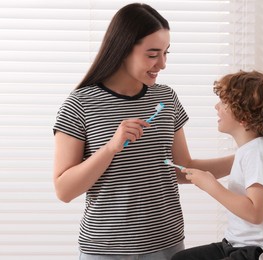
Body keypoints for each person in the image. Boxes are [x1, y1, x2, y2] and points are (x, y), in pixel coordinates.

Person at [52, 3, 233, 260]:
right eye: (152, 54)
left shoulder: (166, 98)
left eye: (166, 53)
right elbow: (64, 190)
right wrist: (111, 147)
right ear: (123, 49)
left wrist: (244, 158)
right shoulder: (80, 103)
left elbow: (182, 169)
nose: (162, 64)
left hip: (167, 244)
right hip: (106, 250)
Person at [172, 70, 263, 260]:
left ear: (243, 115)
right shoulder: (249, 151)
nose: (216, 106)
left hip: (258, 251)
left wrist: (211, 186)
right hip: (235, 244)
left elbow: (255, 213)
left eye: (224, 103)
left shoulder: (257, 154)